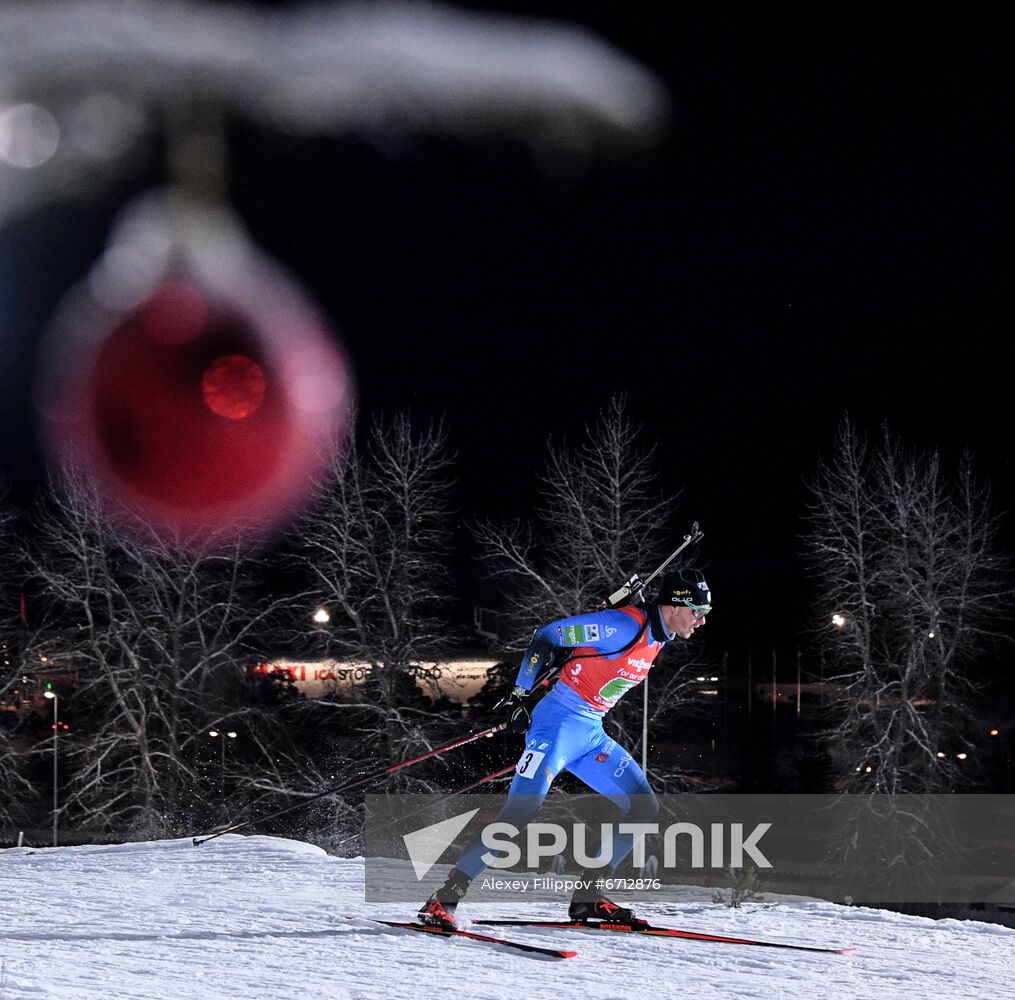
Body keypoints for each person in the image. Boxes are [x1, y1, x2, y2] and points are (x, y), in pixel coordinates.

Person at [418, 568, 712, 929]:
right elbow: (549, 635)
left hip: (589, 733)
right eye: (697, 610)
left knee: (642, 804)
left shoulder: (658, 632)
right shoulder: (623, 625)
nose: (701, 620)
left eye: (705, 613)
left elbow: (603, 646)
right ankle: (445, 898)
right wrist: (519, 696)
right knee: (519, 813)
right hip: (555, 728)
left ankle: (588, 898)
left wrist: (627, 600)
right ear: (674, 605)